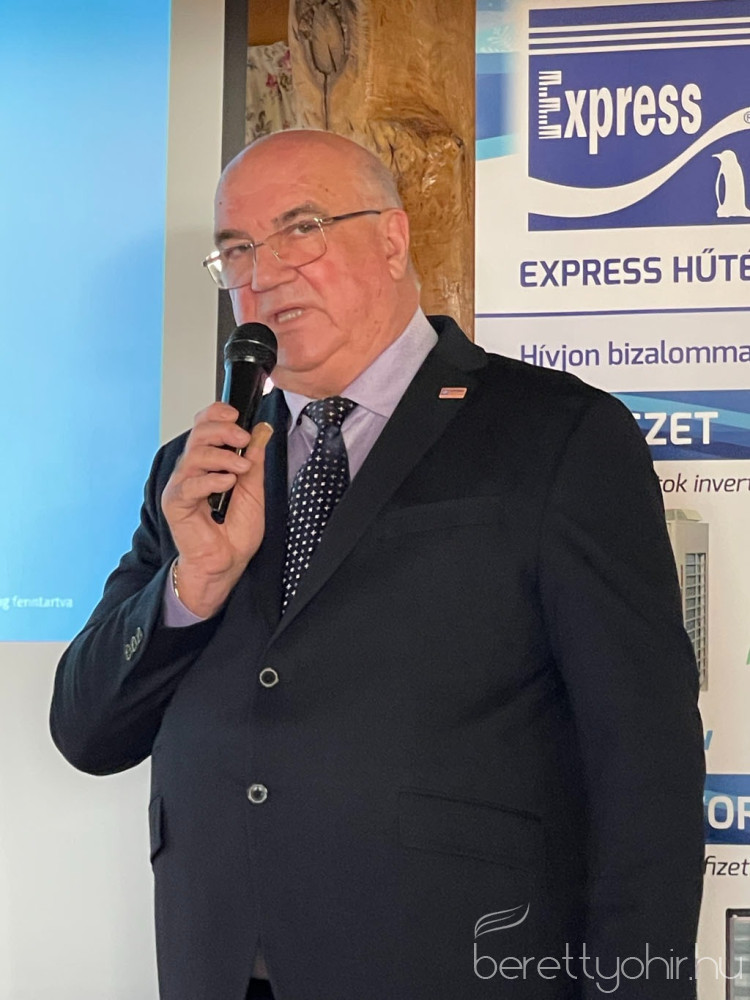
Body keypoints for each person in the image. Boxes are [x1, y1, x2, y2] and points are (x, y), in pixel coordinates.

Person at [50, 129, 705, 1000]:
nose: (264, 274)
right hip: (220, 968)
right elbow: (87, 732)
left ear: (393, 239)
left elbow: (646, 766)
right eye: (237, 250)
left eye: (301, 229)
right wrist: (190, 587)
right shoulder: (198, 468)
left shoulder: (560, 434)